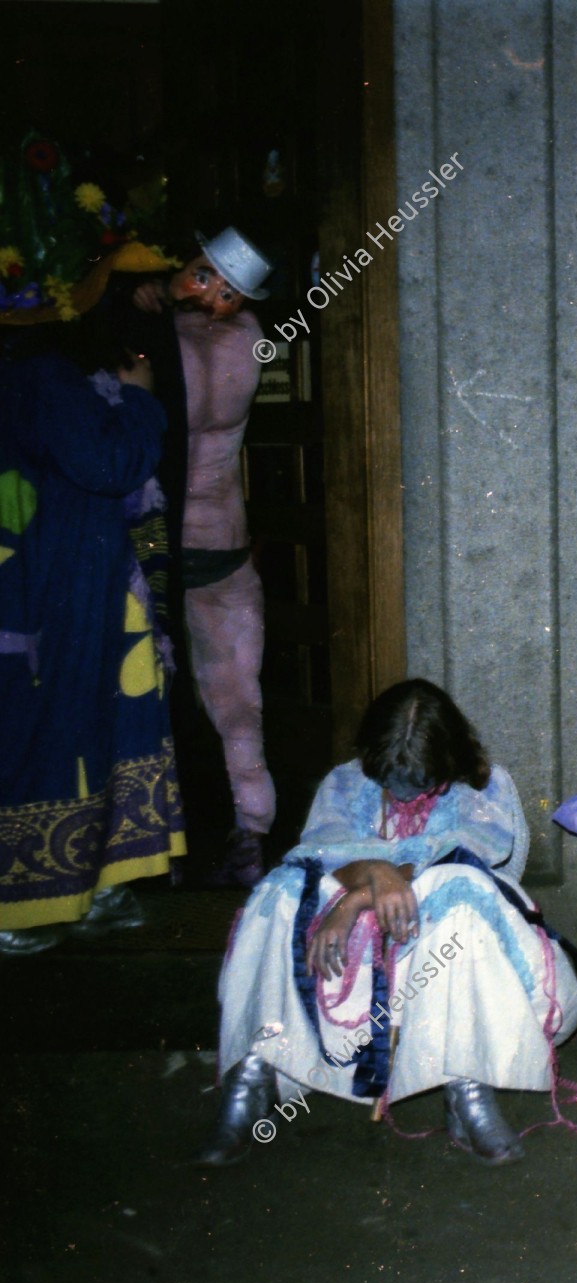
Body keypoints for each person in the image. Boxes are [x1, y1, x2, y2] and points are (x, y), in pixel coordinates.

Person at [199, 679, 577, 1165]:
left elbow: (466, 854)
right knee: (279, 891)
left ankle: (465, 1085)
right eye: (390, 776)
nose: (402, 791)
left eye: (418, 778)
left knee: (454, 889)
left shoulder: (485, 786)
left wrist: (361, 894)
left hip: (450, 950)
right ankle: (253, 1076)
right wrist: (364, 884)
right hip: (361, 962)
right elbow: (321, 849)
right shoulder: (345, 781)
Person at [0, 303, 186, 952]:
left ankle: (98, 878)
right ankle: (19, 903)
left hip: (84, 587)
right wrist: (139, 402)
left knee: (102, 734)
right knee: (57, 737)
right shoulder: (44, 371)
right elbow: (105, 464)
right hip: (59, 594)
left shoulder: (41, 372)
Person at [130, 228, 274, 885]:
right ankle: (243, 836)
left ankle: (186, 845)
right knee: (231, 698)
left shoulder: (174, 337)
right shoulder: (251, 336)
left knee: (175, 694)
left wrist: (153, 293)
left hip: (168, 545)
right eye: (203, 276)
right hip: (213, 544)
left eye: (224, 288)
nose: (210, 295)